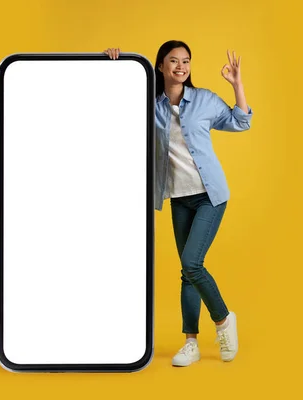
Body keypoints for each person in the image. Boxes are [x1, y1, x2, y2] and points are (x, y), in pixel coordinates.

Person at [104, 41, 253, 367]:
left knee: (192, 263)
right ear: (160, 66)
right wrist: (114, 66)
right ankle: (191, 343)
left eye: (186, 61)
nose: (180, 66)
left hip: (209, 196)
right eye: (173, 61)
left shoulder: (204, 100)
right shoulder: (149, 105)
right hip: (178, 198)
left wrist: (237, 85)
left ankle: (224, 320)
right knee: (187, 272)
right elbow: (115, 107)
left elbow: (241, 122)